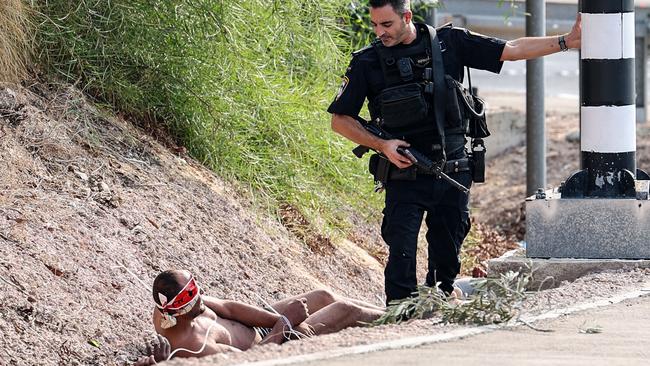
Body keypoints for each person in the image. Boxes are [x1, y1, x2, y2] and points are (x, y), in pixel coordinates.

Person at [328, 0, 581, 304]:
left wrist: (567, 41)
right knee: (401, 256)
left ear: (407, 16)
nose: (379, 32)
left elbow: (511, 49)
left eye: (387, 24)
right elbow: (340, 120)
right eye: (375, 25)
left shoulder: (449, 44)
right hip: (404, 175)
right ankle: (400, 318)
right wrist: (382, 145)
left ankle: (442, 304)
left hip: (453, 172)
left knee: (446, 264)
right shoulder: (368, 62)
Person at [134, 270, 384, 365]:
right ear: (176, 311)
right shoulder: (193, 347)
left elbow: (229, 308)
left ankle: (393, 312)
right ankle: (407, 319)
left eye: (197, 292)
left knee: (323, 295)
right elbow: (251, 361)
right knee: (345, 310)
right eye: (193, 300)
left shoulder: (174, 306)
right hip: (275, 345)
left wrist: (279, 317)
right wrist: (285, 324)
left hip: (267, 328)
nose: (201, 300)